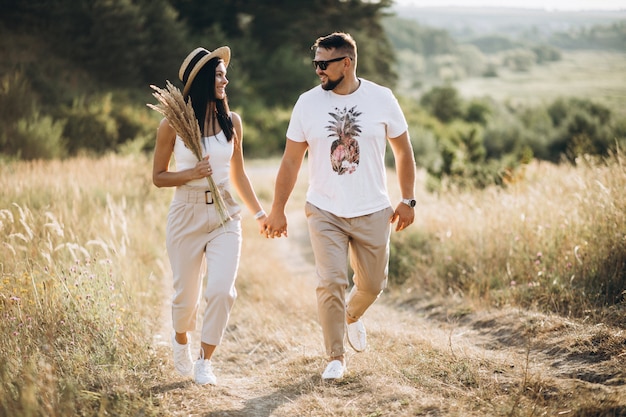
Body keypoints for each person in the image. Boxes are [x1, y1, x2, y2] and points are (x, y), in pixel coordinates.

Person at [263, 32, 417, 380]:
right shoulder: (307, 103)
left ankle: (351, 316)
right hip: (324, 209)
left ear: (346, 63)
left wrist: (407, 199)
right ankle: (335, 357)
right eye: (315, 63)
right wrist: (277, 208)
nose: (317, 70)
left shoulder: (382, 98)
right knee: (331, 281)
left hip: (373, 208)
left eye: (323, 64)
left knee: (373, 284)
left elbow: (404, 151)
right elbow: (290, 161)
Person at [152, 46, 267, 385]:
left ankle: (206, 360)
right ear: (203, 80)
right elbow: (158, 176)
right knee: (185, 298)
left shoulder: (232, 122)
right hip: (185, 214)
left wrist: (259, 212)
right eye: (219, 74)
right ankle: (180, 339)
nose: (225, 79)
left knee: (221, 291)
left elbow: (239, 174)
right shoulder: (171, 125)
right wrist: (190, 173)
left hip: (225, 217)